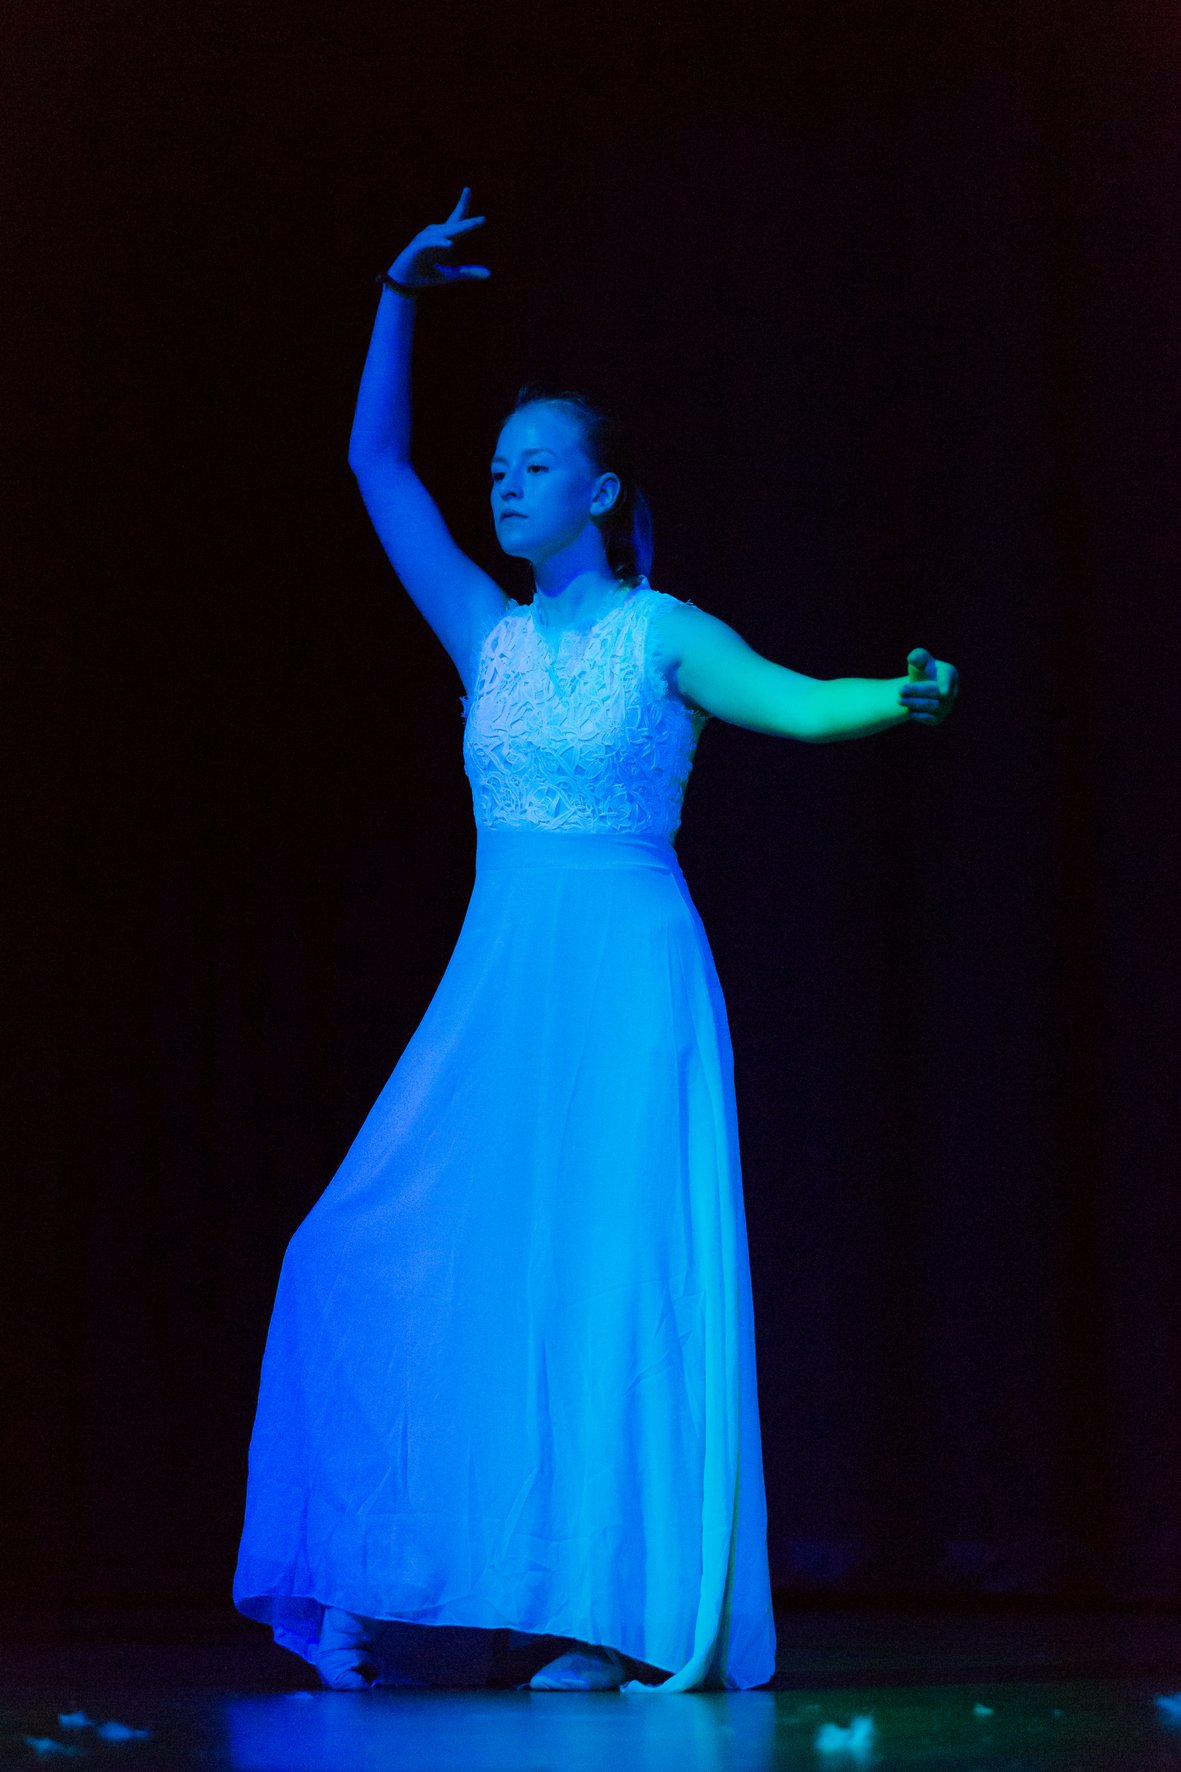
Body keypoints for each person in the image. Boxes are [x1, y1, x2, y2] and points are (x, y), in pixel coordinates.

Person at [231, 189, 959, 1695]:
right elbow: (377, 466)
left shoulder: (661, 631)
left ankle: (611, 1615)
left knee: (612, 1281)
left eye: (534, 464)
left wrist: (892, 696)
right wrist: (395, 295)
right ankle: (375, 1577)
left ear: (601, 490)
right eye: (497, 468)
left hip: (630, 981)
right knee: (386, 1252)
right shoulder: (483, 634)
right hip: (503, 983)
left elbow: (796, 700)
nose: (505, 485)